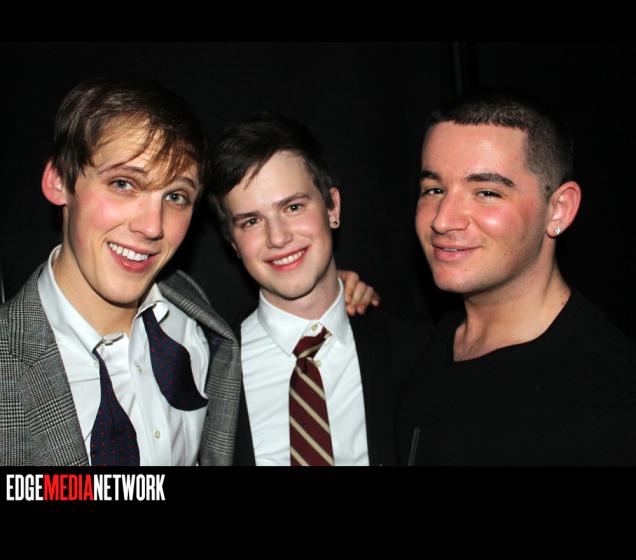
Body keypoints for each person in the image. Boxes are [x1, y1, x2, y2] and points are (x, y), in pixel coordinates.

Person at [0, 77, 374, 466]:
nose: (152, 226)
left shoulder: (198, 323)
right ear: (59, 180)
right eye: (124, 184)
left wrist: (331, 292)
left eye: (175, 196)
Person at [398, 88, 636, 465]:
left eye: (486, 192)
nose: (442, 219)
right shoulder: (430, 346)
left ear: (558, 209)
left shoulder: (610, 400)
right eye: (435, 189)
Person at [207, 112, 429, 466]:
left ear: (332, 206)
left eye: (293, 207)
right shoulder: (207, 372)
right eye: (251, 221)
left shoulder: (418, 347)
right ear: (232, 242)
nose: (278, 237)